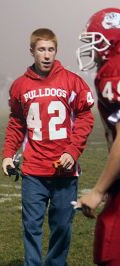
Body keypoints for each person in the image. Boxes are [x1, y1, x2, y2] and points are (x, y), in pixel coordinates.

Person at [1, 28, 95, 266]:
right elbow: (16, 122)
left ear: (56, 51)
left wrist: (72, 152)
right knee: (31, 226)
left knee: (62, 226)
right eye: (41, 49)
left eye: (51, 49)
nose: (47, 55)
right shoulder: (20, 86)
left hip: (64, 171)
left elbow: (85, 117)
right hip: (33, 171)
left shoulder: (72, 81)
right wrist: (8, 155)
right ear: (32, 51)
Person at [75, 8, 120, 266]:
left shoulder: (114, 70)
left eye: (95, 41)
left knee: (110, 250)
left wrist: (99, 189)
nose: (92, 49)